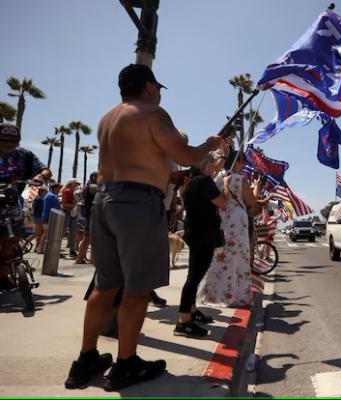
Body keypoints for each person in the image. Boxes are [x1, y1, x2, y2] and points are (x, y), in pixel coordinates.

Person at [65, 64, 223, 391]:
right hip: (137, 205)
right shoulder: (153, 112)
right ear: (149, 87)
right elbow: (185, 153)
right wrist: (210, 144)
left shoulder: (108, 117)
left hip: (105, 202)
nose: (160, 93)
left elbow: (142, 164)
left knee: (105, 286)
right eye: (158, 88)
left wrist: (175, 177)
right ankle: (125, 364)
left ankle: (86, 359)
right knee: (136, 290)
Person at [174, 153, 227, 338]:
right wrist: (225, 187)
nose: (218, 164)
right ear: (207, 163)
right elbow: (222, 202)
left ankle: (191, 310)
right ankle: (183, 321)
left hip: (196, 231)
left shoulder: (193, 182)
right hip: (203, 233)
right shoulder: (204, 181)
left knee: (194, 274)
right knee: (194, 277)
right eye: (215, 160)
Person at [197, 150, 258, 308]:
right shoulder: (240, 179)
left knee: (220, 255)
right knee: (239, 256)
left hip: (221, 219)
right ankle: (237, 296)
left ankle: (214, 293)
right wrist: (256, 187)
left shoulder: (217, 177)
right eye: (242, 160)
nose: (243, 163)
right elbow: (252, 201)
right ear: (236, 161)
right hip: (237, 221)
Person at [0, 122, 51, 289]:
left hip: (11, 206)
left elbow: (44, 170)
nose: (9, 145)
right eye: (4, 140)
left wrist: (41, 177)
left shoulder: (24, 155)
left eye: (13, 141)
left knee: (10, 240)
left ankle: (3, 276)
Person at [75, 172, 98, 264]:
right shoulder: (93, 187)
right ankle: (84, 258)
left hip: (89, 214)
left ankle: (81, 258)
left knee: (87, 237)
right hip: (92, 215)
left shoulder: (87, 187)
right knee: (89, 237)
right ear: (94, 177)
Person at [60, 178, 81, 257]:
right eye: (76, 184)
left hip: (71, 212)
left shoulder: (71, 191)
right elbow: (64, 204)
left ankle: (72, 250)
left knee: (72, 232)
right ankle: (59, 250)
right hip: (67, 212)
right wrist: (74, 203)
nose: (77, 185)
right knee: (63, 231)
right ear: (72, 184)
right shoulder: (67, 191)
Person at [31, 186, 47, 253]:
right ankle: (26, 243)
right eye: (45, 191)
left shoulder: (40, 198)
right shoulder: (38, 199)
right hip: (38, 217)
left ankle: (37, 247)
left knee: (40, 233)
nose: (46, 192)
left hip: (39, 217)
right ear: (41, 191)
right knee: (38, 233)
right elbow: (34, 209)